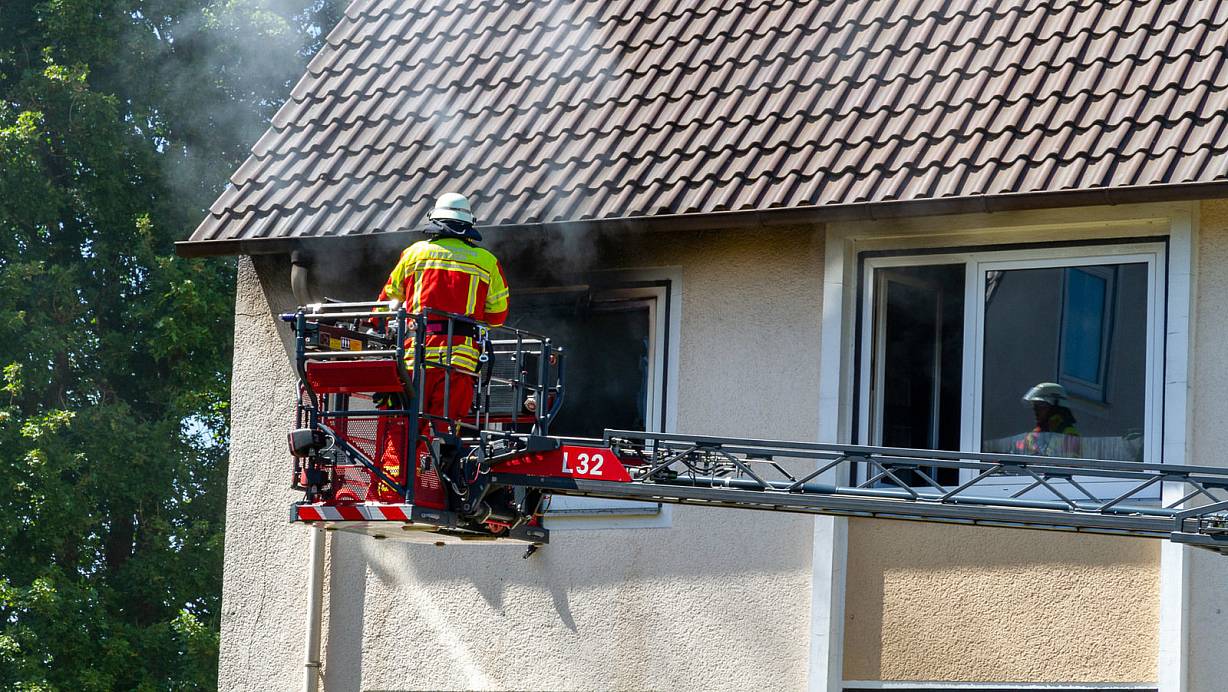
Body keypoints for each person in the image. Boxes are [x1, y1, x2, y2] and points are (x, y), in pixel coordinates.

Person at [370, 192, 509, 499]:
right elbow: (498, 316)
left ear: (435, 221)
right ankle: (440, 488)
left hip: (414, 358)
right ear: (468, 224)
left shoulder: (415, 254)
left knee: (404, 423)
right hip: (459, 361)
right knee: (446, 427)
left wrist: (373, 329)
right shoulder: (487, 262)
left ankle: (392, 489)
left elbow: (385, 304)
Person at [1015, 382, 1081, 458]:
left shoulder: (1068, 433)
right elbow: (1019, 450)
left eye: (1040, 405)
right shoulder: (1035, 434)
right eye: (1034, 405)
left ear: (1056, 407)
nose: (1035, 410)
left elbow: (1070, 465)